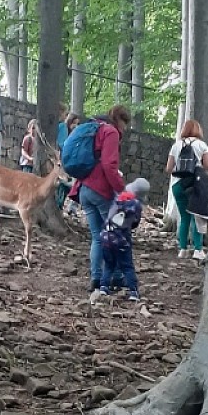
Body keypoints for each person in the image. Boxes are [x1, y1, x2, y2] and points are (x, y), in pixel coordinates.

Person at [70, 105, 131, 291]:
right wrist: (121, 189)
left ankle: (96, 279)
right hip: (101, 190)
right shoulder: (111, 132)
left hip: (84, 188)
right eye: (126, 123)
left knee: (98, 237)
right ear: (120, 120)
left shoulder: (94, 128)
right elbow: (109, 165)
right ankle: (117, 277)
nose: (126, 128)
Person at [94, 178, 149, 302]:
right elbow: (135, 223)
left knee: (108, 265)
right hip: (122, 241)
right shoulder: (136, 205)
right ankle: (133, 292)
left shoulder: (118, 199)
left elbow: (109, 217)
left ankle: (103, 287)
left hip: (106, 237)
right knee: (127, 267)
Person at [165, 119, 208, 260]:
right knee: (196, 217)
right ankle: (198, 250)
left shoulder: (176, 145)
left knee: (184, 217)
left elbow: (168, 168)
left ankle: (183, 249)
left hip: (178, 186)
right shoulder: (201, 145)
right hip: (195, 185)